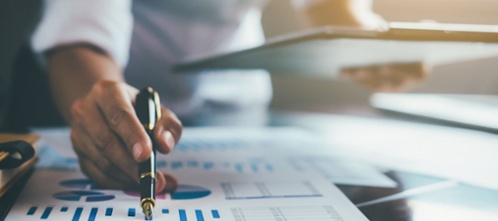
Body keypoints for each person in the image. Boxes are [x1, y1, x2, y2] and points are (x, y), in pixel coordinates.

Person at [31, 0, 420, 193]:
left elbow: (330, 7)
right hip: (126, 104)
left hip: (239, 110)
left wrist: (371, 39)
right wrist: (100, 104)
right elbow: (78, 32)